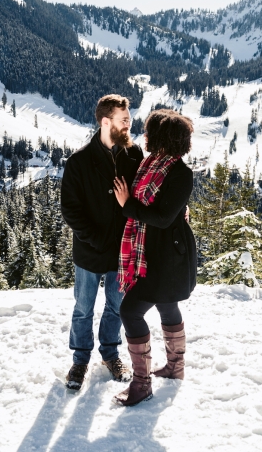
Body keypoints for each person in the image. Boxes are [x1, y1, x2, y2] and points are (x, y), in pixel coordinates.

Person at [111, 109, 197, 406]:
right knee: (166, 304)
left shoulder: (180, 174)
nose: (144, 136)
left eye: (149, 131)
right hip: (151, 249)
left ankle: (142, 384)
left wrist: (127, 205)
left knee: (130, 312)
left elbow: (161, 218)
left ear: (163, 138)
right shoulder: (152, 163)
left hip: (166, 255)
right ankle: (175, 368)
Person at [60, 94, 144, 390]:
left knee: (117, 305)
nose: (129, 125)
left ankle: (110, 353)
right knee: (83, 307)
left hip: (122, 250)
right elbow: (70, 208)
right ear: (106, 122)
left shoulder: (134, 156)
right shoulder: (79, 161)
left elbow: (146, 195)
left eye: (129, 120)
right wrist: (94, 238)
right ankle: (80, 360)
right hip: (89, 250)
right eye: (124, 121)